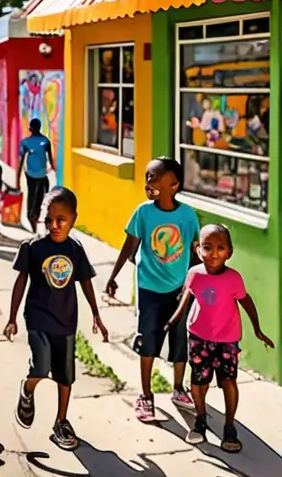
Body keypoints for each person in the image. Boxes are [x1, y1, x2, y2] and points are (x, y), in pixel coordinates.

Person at [5, 187, 108, 452]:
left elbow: (85, 280)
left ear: (74, 218)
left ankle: (61, 422)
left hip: (66, 321)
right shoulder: (33, 247)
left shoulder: (75, 248)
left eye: (60, 220)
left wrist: (96, 314)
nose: (54, 225)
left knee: (65, 376)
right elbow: (20, 281)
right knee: (40, 367)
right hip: (38, 317)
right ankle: (28, 389)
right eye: (48, 219)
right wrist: (12, 317)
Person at [105, 157, 200, 422]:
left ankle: (179, 388)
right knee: (148, 342)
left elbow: (194, 253)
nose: (149, 182)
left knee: (181, 343)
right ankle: (146, 396)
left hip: (181, 291)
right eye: (147, 177)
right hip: (149, 290)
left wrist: (201, 284)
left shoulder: (188, 215)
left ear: (174, 184)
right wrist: (114, 276)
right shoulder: (144, 213)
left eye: (155, 177)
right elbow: (130, 245)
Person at [165, 223, 273, 450]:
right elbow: (186, 297)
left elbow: (246, 302)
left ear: (229, 252)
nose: (213, 253)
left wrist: (257, 329)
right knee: (198, 380)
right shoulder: (194, 274)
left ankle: (230, 427)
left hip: (227, 338)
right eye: (207, 247)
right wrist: (171, 321)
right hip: (198, 335)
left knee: (228, 380)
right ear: (198, 250)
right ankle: (200, 420)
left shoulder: (233, 278)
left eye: (220, 248)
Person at [17, 118, 55, 232]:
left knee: (31, 194)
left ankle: (31, 216)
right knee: (40, 196)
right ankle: (35, 215)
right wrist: (52, 168)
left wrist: (17, 178)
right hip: (42, 173)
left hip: (30, 173)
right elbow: (51, 159)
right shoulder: (46, 141)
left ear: (30, 129)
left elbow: (21, 161)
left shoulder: (25, 142)